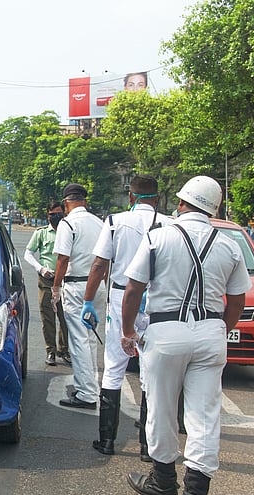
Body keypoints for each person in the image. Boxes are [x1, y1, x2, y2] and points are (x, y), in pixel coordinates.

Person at [120, 176, 251, 495]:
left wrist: (127, 331)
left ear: (181, 203)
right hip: (210, 333)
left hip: (166, 333)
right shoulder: (229, 246)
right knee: (204, 416)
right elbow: (237, 301)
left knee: (161, 410)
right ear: (214, 209)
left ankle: (163, 483)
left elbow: (134, 289)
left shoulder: (159, 237)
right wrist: (219, 329)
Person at [81, 175, 173, 458]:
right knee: (150, 373)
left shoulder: (115, 222)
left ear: (131, 197)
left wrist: (88, 301)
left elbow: (99, 265)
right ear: (157, 199)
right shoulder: (170, 225)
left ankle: (107, 441)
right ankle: (147, 446)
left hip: (122, 297)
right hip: (156, 300)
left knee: (114, 367)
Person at [52, 183, 104, 409]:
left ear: (66, 203)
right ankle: (91, 386)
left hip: (76, 286)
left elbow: (63, 259)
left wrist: (55, 287)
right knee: (91, 338)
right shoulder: (99, 223)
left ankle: (86, 393)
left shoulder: (68, 223)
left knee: (78, 340)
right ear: (85, 201)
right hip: (97, 285)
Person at [24, 201, 70, 366]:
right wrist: (40, 268)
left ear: (64, 213)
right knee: (48, 318)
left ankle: (64, 350)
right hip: (46, 280)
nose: (55, 217)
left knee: (66, 318)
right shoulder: (42, 233)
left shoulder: (69, 231)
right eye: (52, 214)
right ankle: (51, 351)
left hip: (66, 280)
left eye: (58, 214)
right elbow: (28, 254)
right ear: (47, 215)